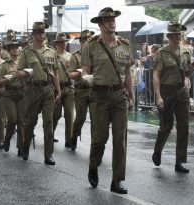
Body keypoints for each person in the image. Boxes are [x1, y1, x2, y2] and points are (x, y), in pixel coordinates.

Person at [81, 7, 134, 194]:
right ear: (101, 24)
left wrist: (131, 94)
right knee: (100, 138)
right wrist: (86, 78)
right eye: (108, 20)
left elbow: (127, 72)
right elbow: (86, 70)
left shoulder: (125, 45)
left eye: (113, 20)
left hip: (119, 96)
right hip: (99, 96)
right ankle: (93, 165)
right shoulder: (90, 45)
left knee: (120, 139)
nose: (112, 23)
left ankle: (117, 180)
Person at [152, 22, 194, 174]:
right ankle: (158, 151)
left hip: (181, 91)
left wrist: (191, 69)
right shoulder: (161, 53)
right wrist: (158, 96)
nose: (179, 37)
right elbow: (156, 75)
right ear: (169, 36)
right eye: (176, 34)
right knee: (166, 126)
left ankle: (180, 161)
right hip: (166, 91)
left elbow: (187, 73)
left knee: (184, 126)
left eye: (180, 34)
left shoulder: (186, 52)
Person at [16, 22, 61, 165]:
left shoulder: (51, 51)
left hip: (47, 89)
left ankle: (48, 155)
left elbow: (55, 72)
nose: (43, 35)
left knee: (48, 122)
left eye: (43, 32)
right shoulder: (26, 52)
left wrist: (58, 89)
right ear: (34, 34)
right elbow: (18, 71)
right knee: (30, 122)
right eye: (40, 32)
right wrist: (26, 73)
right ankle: (25, 146)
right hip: (32, 90)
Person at [0, 40, 25, 156]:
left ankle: (21, 147)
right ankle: (7, 139)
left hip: (22, 94)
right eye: (12, 48)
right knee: (12, 119)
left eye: (17, 47)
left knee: (22, 121)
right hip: (9, 95)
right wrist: (8, 79)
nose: (15, 49)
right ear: (9, 50)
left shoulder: (23, 63)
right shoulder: (4, 65)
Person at [69, 30, 91, 151]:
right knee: (81, 117)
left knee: (97, 118)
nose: (87, 41)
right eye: (85, 39)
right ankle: (74, 136)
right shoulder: (75, 56)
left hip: (93, 89)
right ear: (81, 41)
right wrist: (79, 72)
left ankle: (96, 142)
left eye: (89, 39)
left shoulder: (94, 55)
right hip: (81, 90)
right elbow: (70, 75)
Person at [52, 33, 74, 147]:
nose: (63, 44)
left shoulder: (70, 56)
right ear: (56, 43)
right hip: (56, 88)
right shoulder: (52, 56)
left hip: (68, 87)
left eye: (64, 42)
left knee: (69, 114)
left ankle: (69, 140)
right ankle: (50, 133)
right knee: (56, 114)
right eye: (61, 42)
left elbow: (74, 71)